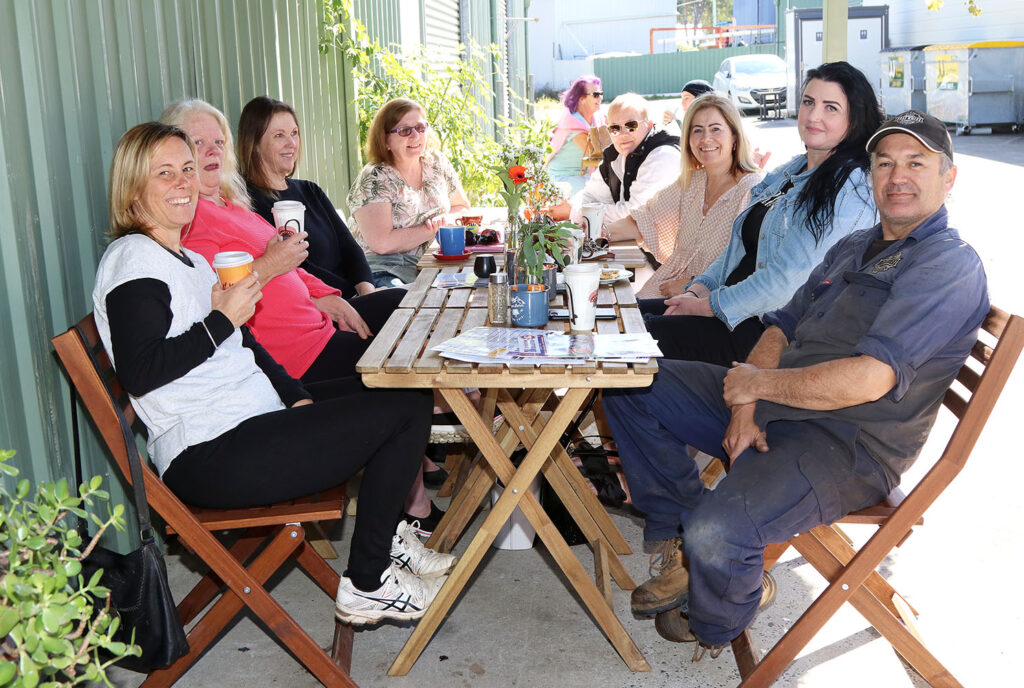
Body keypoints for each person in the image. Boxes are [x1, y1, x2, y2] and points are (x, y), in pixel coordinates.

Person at [602, 109, 988, 657]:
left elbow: (868, 378)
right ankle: (685, 532)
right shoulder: (855, 245)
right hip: (777, 404)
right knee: (631, 382)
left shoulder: (946, 266)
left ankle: (718, 618)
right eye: (884, 163)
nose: (897, 177)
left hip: (846, 445)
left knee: (720, 534)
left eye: (915, 163)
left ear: (948, 178)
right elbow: (782, 324)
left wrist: (756, 388)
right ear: (870, 174)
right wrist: (746, 403)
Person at [93, 122, 457, 625]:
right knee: (398, 408)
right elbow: (142, 370)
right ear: (134, 190)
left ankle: (386, 541)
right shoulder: (134, 262)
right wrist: (222, 319)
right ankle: (369, 582)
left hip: (251, 421)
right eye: (164, 174)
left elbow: (246, 343)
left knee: (403, 389)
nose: (182, 183)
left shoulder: (189, 261)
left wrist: (295, 395)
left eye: (187, 169)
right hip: (210, 452)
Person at [160, 100, 442, 532]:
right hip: (295, 352)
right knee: (405, 381)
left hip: (318, 326)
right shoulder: (191, 222)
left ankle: (430, 453)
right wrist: (282, 272)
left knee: (411, 303)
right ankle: (416, 499)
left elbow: (294, 262)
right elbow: (233, 292)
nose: (212, 151)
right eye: (198, 143)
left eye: (218, 141)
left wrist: (329, 297)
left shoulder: (230, 205)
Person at [636, 62, 883, 365]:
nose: (813, 115)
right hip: (729, 310)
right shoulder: (793, 170)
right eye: (808, 102)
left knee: (628, 337)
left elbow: (787, 283)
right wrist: (698, 290)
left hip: (767, 333)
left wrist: (705, 306)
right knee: (625, 315)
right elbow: (736, 250)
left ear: (855, 118)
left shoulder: (849, 187)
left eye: (830, 107)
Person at [604, 94, 764, 299]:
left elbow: (754, 263)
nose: (706, 138)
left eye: (715, 129)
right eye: (697, 130)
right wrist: (592, 237)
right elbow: (642, 220)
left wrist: (695, 284)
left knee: (623, 319)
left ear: (734, 137)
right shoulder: (691, 182)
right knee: (613, 312)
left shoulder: (752, 188)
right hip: (665, 290)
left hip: (709, 302)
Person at [238, 95, 377, 299]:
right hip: (323, 307)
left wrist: (368, 295)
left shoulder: (311, 191)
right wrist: (348, 300)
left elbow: (350, 248)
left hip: (354, 299)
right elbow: (300, 268)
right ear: (255, 143)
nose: (291, 143)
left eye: (294, 133)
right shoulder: (248, 203)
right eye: (279, 135)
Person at [347, 98, 470, 287]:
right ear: (385, 139)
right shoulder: (375, 178)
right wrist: (432, 230)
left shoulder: (436, 162)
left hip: (433, 264)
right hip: (384, 271)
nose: (416, 136)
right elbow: (382, 243)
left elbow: (461, 207)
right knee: (402, 301)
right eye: (405, 131)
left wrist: (444, 219)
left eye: (420, 128)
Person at [564, 93, 680, 234]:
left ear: (649, 124)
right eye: (615, 128)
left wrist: (588, 214)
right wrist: (584, 212)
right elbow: (588, 196)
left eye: (631, 126)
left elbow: (635, 214)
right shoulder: (614, 155)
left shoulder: (663, 155)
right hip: (641, 243)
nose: (622, 134)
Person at [546, 75, 607, 194]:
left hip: (583, 175)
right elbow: (595, 157)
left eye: (601, 93)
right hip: (564, 177)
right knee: (593, 199)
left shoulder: (597, 118)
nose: (600, 98)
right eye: (595, 95)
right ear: (581, 99)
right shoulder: (573, 124)